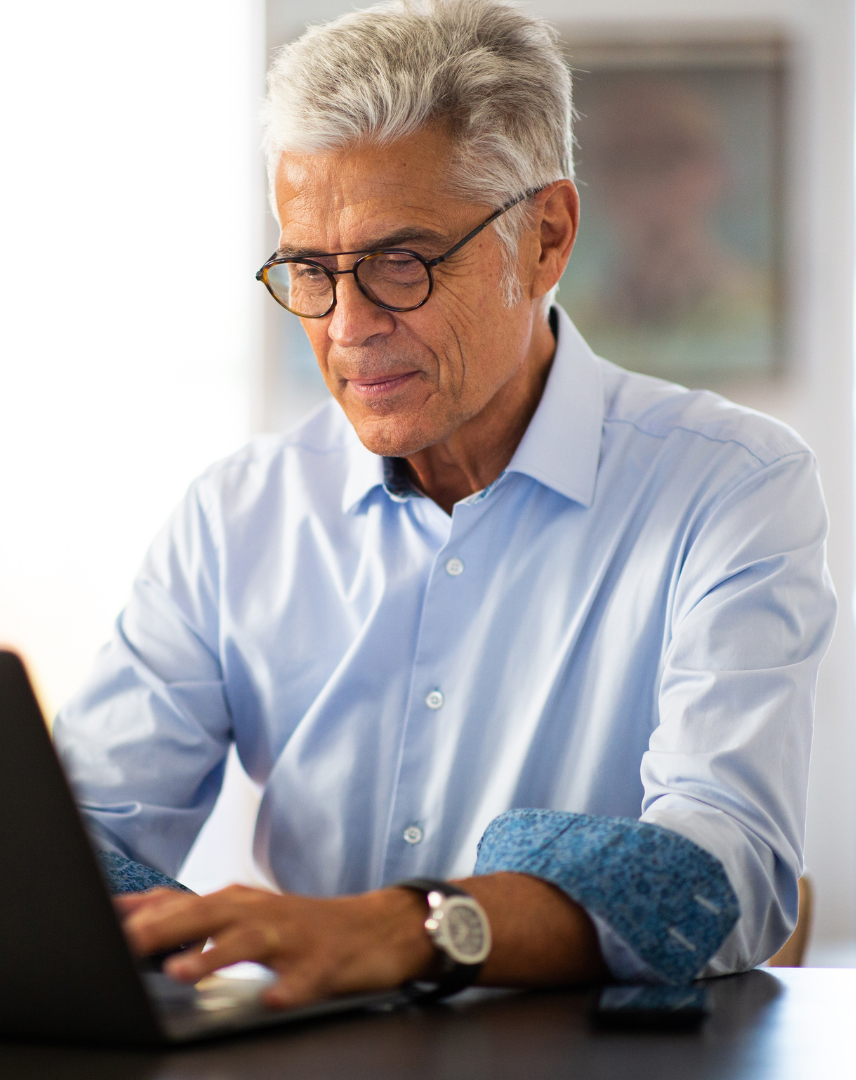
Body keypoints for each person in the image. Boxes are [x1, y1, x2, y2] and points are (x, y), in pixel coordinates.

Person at [52, 0, 835, 1008]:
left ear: (545, 239)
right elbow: (77, 841)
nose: (347, 328)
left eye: (400, 263)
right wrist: (181, 935)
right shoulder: (235, 517)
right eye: (311, 271)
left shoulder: (730, 486)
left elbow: (719, 874)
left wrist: (406, 929)